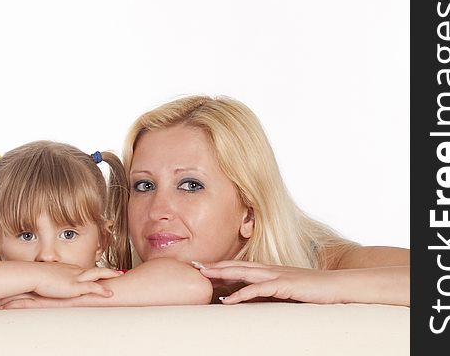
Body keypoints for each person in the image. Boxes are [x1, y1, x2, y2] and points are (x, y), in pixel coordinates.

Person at [124, 95, 410, 306]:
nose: (157, 211)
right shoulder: (113, 274)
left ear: (249, 213)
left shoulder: (327, 261)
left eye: (190, 185)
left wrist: (323, 284)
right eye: (144, 185)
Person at [0, 140, 212, 311]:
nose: (47, 255)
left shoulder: (113, 283)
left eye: (68, 233)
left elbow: (192, 285)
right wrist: (37, 278)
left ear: (102, 238)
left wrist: (55, 300)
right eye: (26, 235)